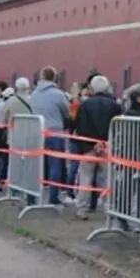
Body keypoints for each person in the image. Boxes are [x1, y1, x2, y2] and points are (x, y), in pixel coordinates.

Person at [74, 74, 121, 219]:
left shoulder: (85, 104)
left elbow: (80, 126)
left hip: (88, 147)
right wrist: (105, 142)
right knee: (106, 179)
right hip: (107, 145)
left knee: (85, 178)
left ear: (92, 88)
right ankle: (108, 208)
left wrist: (91, 144)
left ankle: (82, 208)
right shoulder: (114, 105)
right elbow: (118, 126)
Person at [30, 67, 71, 206]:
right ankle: (53, 197)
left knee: (37, 164)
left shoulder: (34, 94)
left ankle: (32, 195)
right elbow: (67, 112)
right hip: (55, 132)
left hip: (38, 131)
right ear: (55, 78)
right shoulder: (58, 94)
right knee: (55, 165)